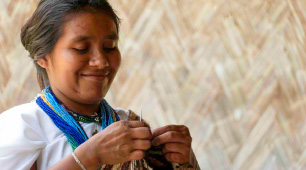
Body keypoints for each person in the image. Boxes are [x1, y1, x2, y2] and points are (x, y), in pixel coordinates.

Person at [0, 0, 200, 169]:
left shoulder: (127, 123)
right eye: (81, 48)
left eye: (109, 47)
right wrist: (89, 157)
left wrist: (182, 162)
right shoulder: (21, 127)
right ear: (43, 57)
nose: (101, 61)